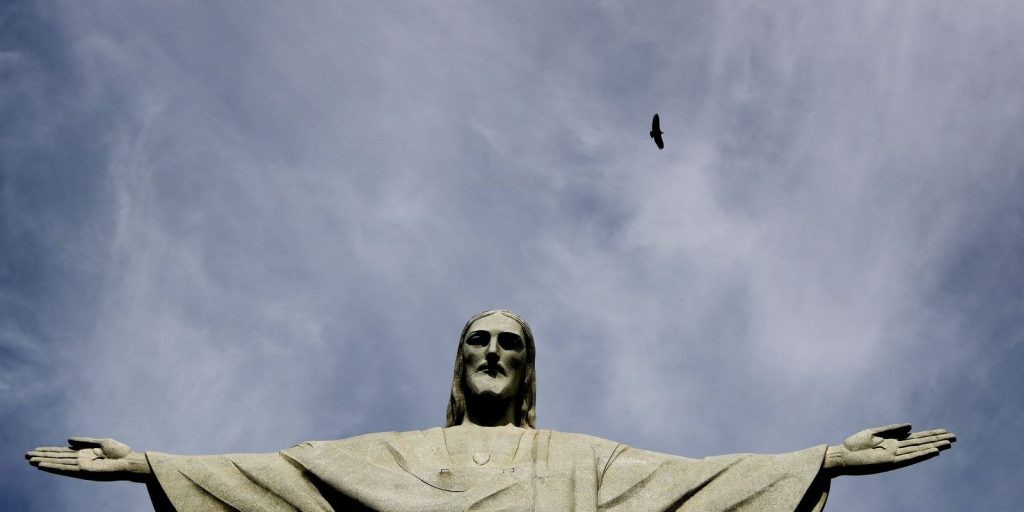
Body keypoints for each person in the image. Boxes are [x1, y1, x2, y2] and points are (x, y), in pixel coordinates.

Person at [26, 309, 956, 511]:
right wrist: (151, 464)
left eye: (513, 345)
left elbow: (690, 482)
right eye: (479, 340)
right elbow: (284, 473)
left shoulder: (580, 461)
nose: (493, 353)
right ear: (458, 361)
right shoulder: (389, 454)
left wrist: (826, 458)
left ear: (528, 372)